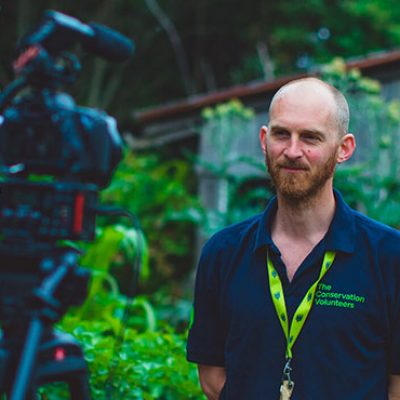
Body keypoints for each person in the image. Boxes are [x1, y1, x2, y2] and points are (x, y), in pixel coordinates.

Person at [186, 77, 400, 399]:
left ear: (344, 149)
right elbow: (213, 377)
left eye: (310, 138)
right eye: (281, 134)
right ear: (264, 139)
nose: (292, 150)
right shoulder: (223, 252)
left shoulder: (390, 256)